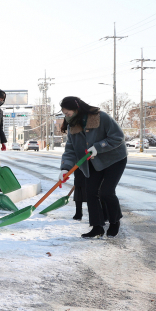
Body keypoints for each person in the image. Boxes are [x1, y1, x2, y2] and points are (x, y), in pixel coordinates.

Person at [59, 96, 127, 238]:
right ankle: (97, 227)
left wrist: (98, 147)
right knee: (91, 193)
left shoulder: (100, 117)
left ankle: (115, 221)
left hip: (113, 159)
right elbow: (70, 149)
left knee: (106, 192)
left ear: (77, 109)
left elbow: (118, 137)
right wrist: (65, 168)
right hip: (92, 162)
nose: (66, 117)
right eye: (64, 114)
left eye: (68, 113)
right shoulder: (73, 125)